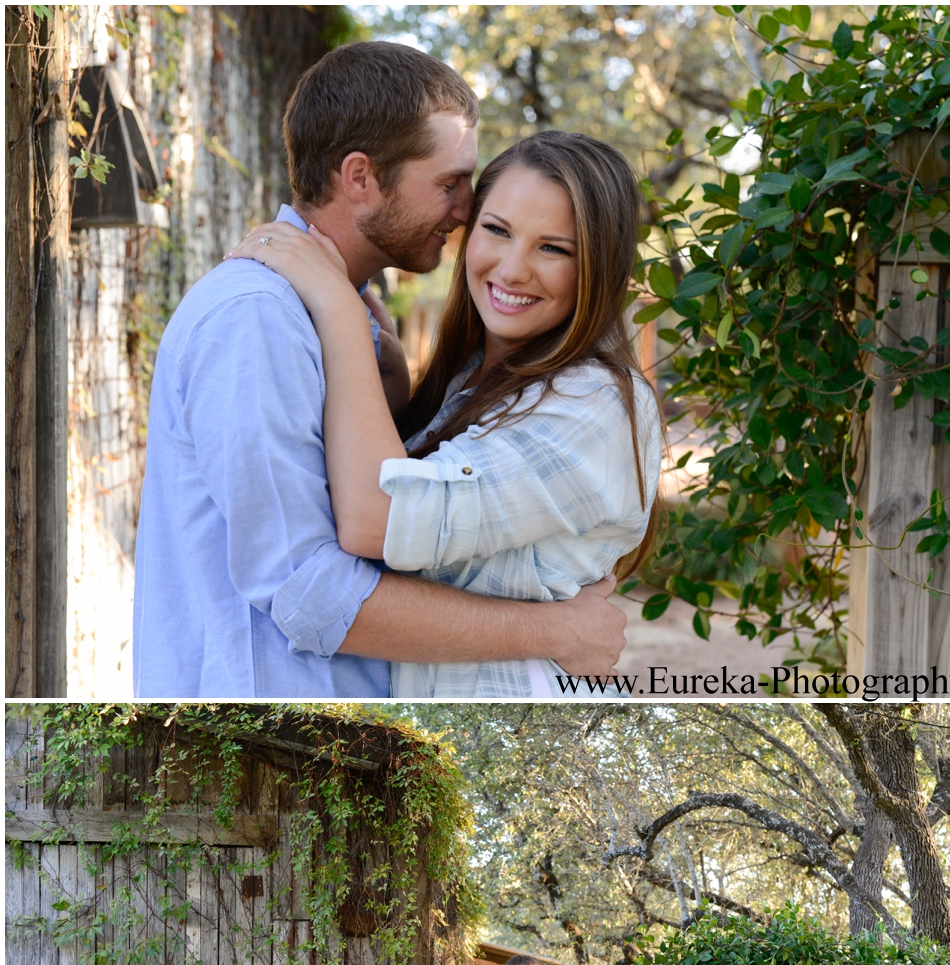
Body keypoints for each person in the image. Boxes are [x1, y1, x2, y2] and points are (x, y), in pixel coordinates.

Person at [133, 41, 627, 697]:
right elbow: (307, 586)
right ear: (361, 177)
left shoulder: (348, 317)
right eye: (449, 184)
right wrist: (557, 630)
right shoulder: (258, 317)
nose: (465, 211)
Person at [228, 126, 663, 697]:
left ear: (598, 268)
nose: (511, 269)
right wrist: (393, 389)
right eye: (497, 231)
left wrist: (335, 305)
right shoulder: (473, 375)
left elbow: (377, 521)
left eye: (553, 248)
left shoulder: (594, 402)